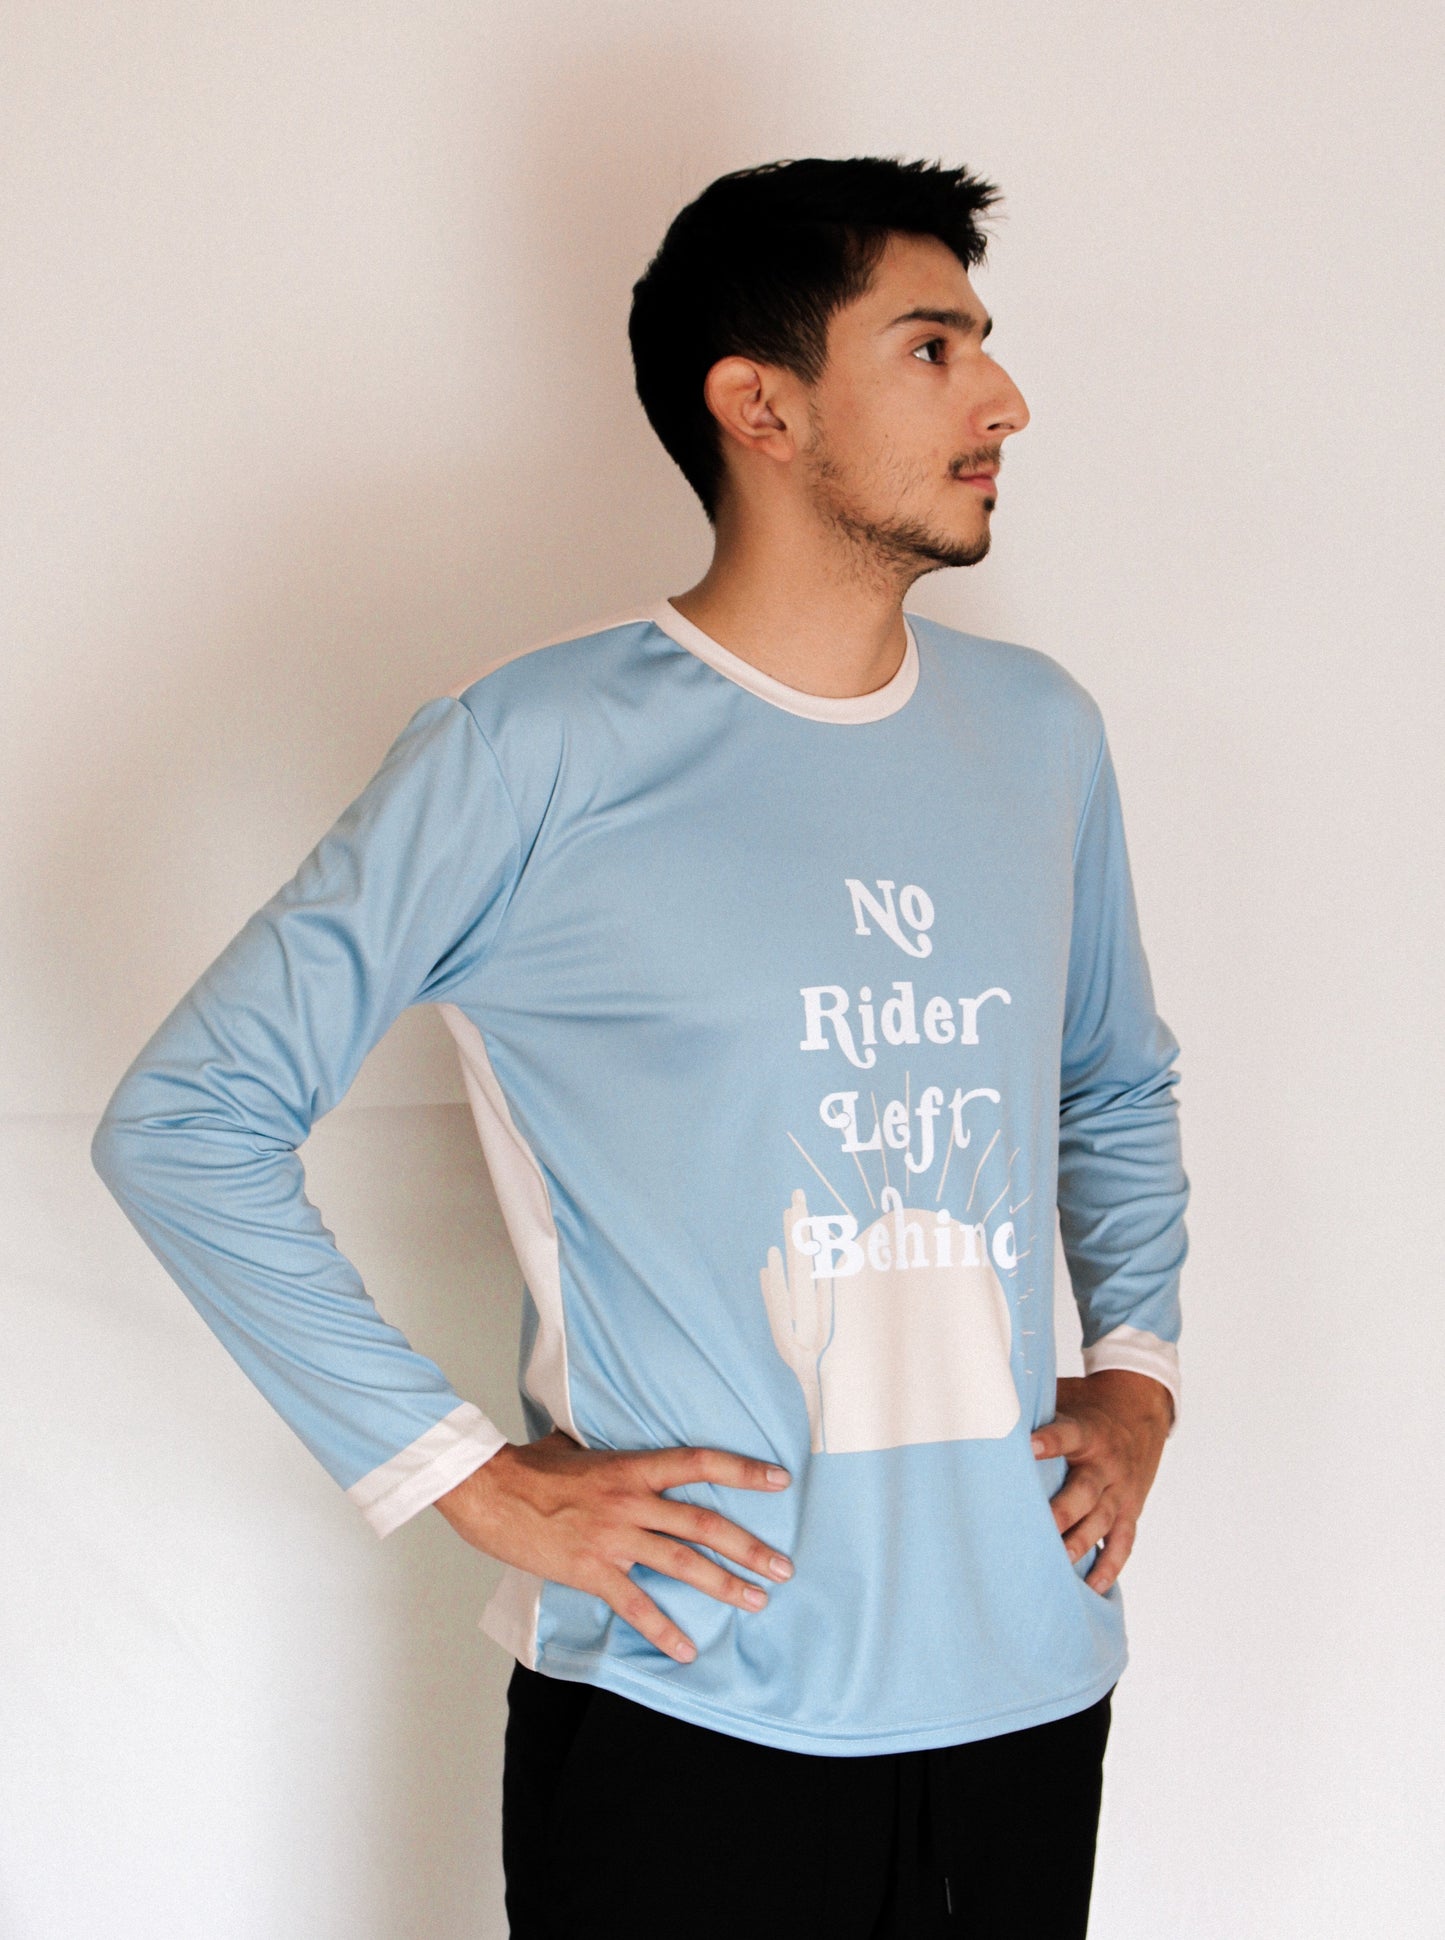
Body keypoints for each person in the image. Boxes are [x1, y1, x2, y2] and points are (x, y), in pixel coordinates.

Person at [91, 155, 1189, 1937]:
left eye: (982, 342)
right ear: (758, 405)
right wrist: (461, 1475)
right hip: (691, 1699)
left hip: (1024, 1688)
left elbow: (1109, 1078)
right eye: (930, 348)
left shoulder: (1037, 734)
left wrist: (1134, 1373)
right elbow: (189, 1119)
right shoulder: (532, 751)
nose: (1002, 396)